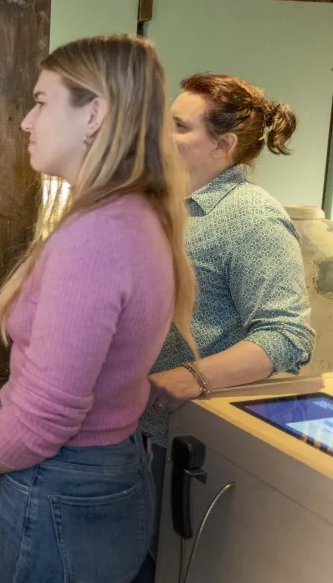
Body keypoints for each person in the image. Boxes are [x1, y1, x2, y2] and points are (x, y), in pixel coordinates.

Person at [0, 36, 197, 583]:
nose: (25, 122)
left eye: (41, 101)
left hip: (65, 486)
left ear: (95, 113)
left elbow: (46, 417)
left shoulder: (97, 233)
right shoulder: (134, 214)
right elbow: (39, 387)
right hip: (106, 471)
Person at [134, 74, 315, 582]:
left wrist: (189, 377)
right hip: (145, 424)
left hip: (193, 434)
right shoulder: (169, 203)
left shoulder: (252, 218)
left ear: (224, 145)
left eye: (177, 126)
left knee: (165, 565)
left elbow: (287, 336)